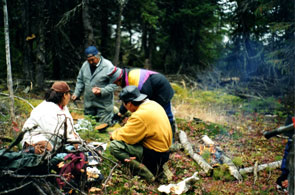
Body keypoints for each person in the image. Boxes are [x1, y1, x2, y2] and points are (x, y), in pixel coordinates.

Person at [109, 86, 172, 181]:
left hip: (156, 156)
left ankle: (147, 174)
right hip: (164, 151)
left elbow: (126, 137)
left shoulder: (140, 116)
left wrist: (113, 134)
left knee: (114, 146)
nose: (124, 106)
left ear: (129, 103)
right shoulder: (152, 104)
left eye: (124, 103)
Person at [108, 67, 176, 139]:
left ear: (120, 78)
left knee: (163, 115)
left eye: (116, 83)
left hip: (162, 90)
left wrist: (132, 119)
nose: (117, 85)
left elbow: (140, 104)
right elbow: (128, 99)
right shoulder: (127, 77)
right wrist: (120, 113)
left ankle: (170, 138)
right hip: (151, 88)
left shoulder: (136, 81)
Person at [21, 81, 81, 154]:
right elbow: (53, 133)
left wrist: (76, 138)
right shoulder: (46, 109)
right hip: (35, 139)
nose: (70, 96)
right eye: (69, 94)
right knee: (45, 148)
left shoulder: (63, 108)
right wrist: (72, 139)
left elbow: (69, 128)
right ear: (65, 95)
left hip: (52, 139)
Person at [72, 46, 117, 125]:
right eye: (88, 60)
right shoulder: (85, 65)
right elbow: (80, 80)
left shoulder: (108, 65)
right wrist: (76, 93)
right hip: (89, 105)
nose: (90, 62)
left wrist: (102, 91)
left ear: (98, 56)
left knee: (102, 128)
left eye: (92, 60)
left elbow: (115, 83)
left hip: (103, 105)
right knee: (89, 128)